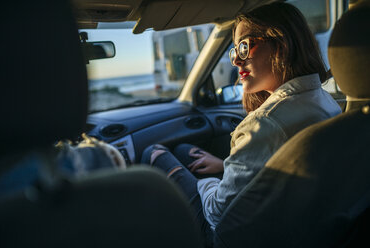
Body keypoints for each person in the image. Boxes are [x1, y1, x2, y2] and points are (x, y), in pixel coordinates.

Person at [141, 1, 342, 239]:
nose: (236, 60)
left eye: (244, 47)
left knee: (154, 152)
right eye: (234, 50)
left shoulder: (265, 122)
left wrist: (203, 183)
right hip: (297, 222)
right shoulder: (325, 100)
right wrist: (224, 166)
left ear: (282, 44)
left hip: (230, 236)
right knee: (186, 150)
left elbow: (217, 214)